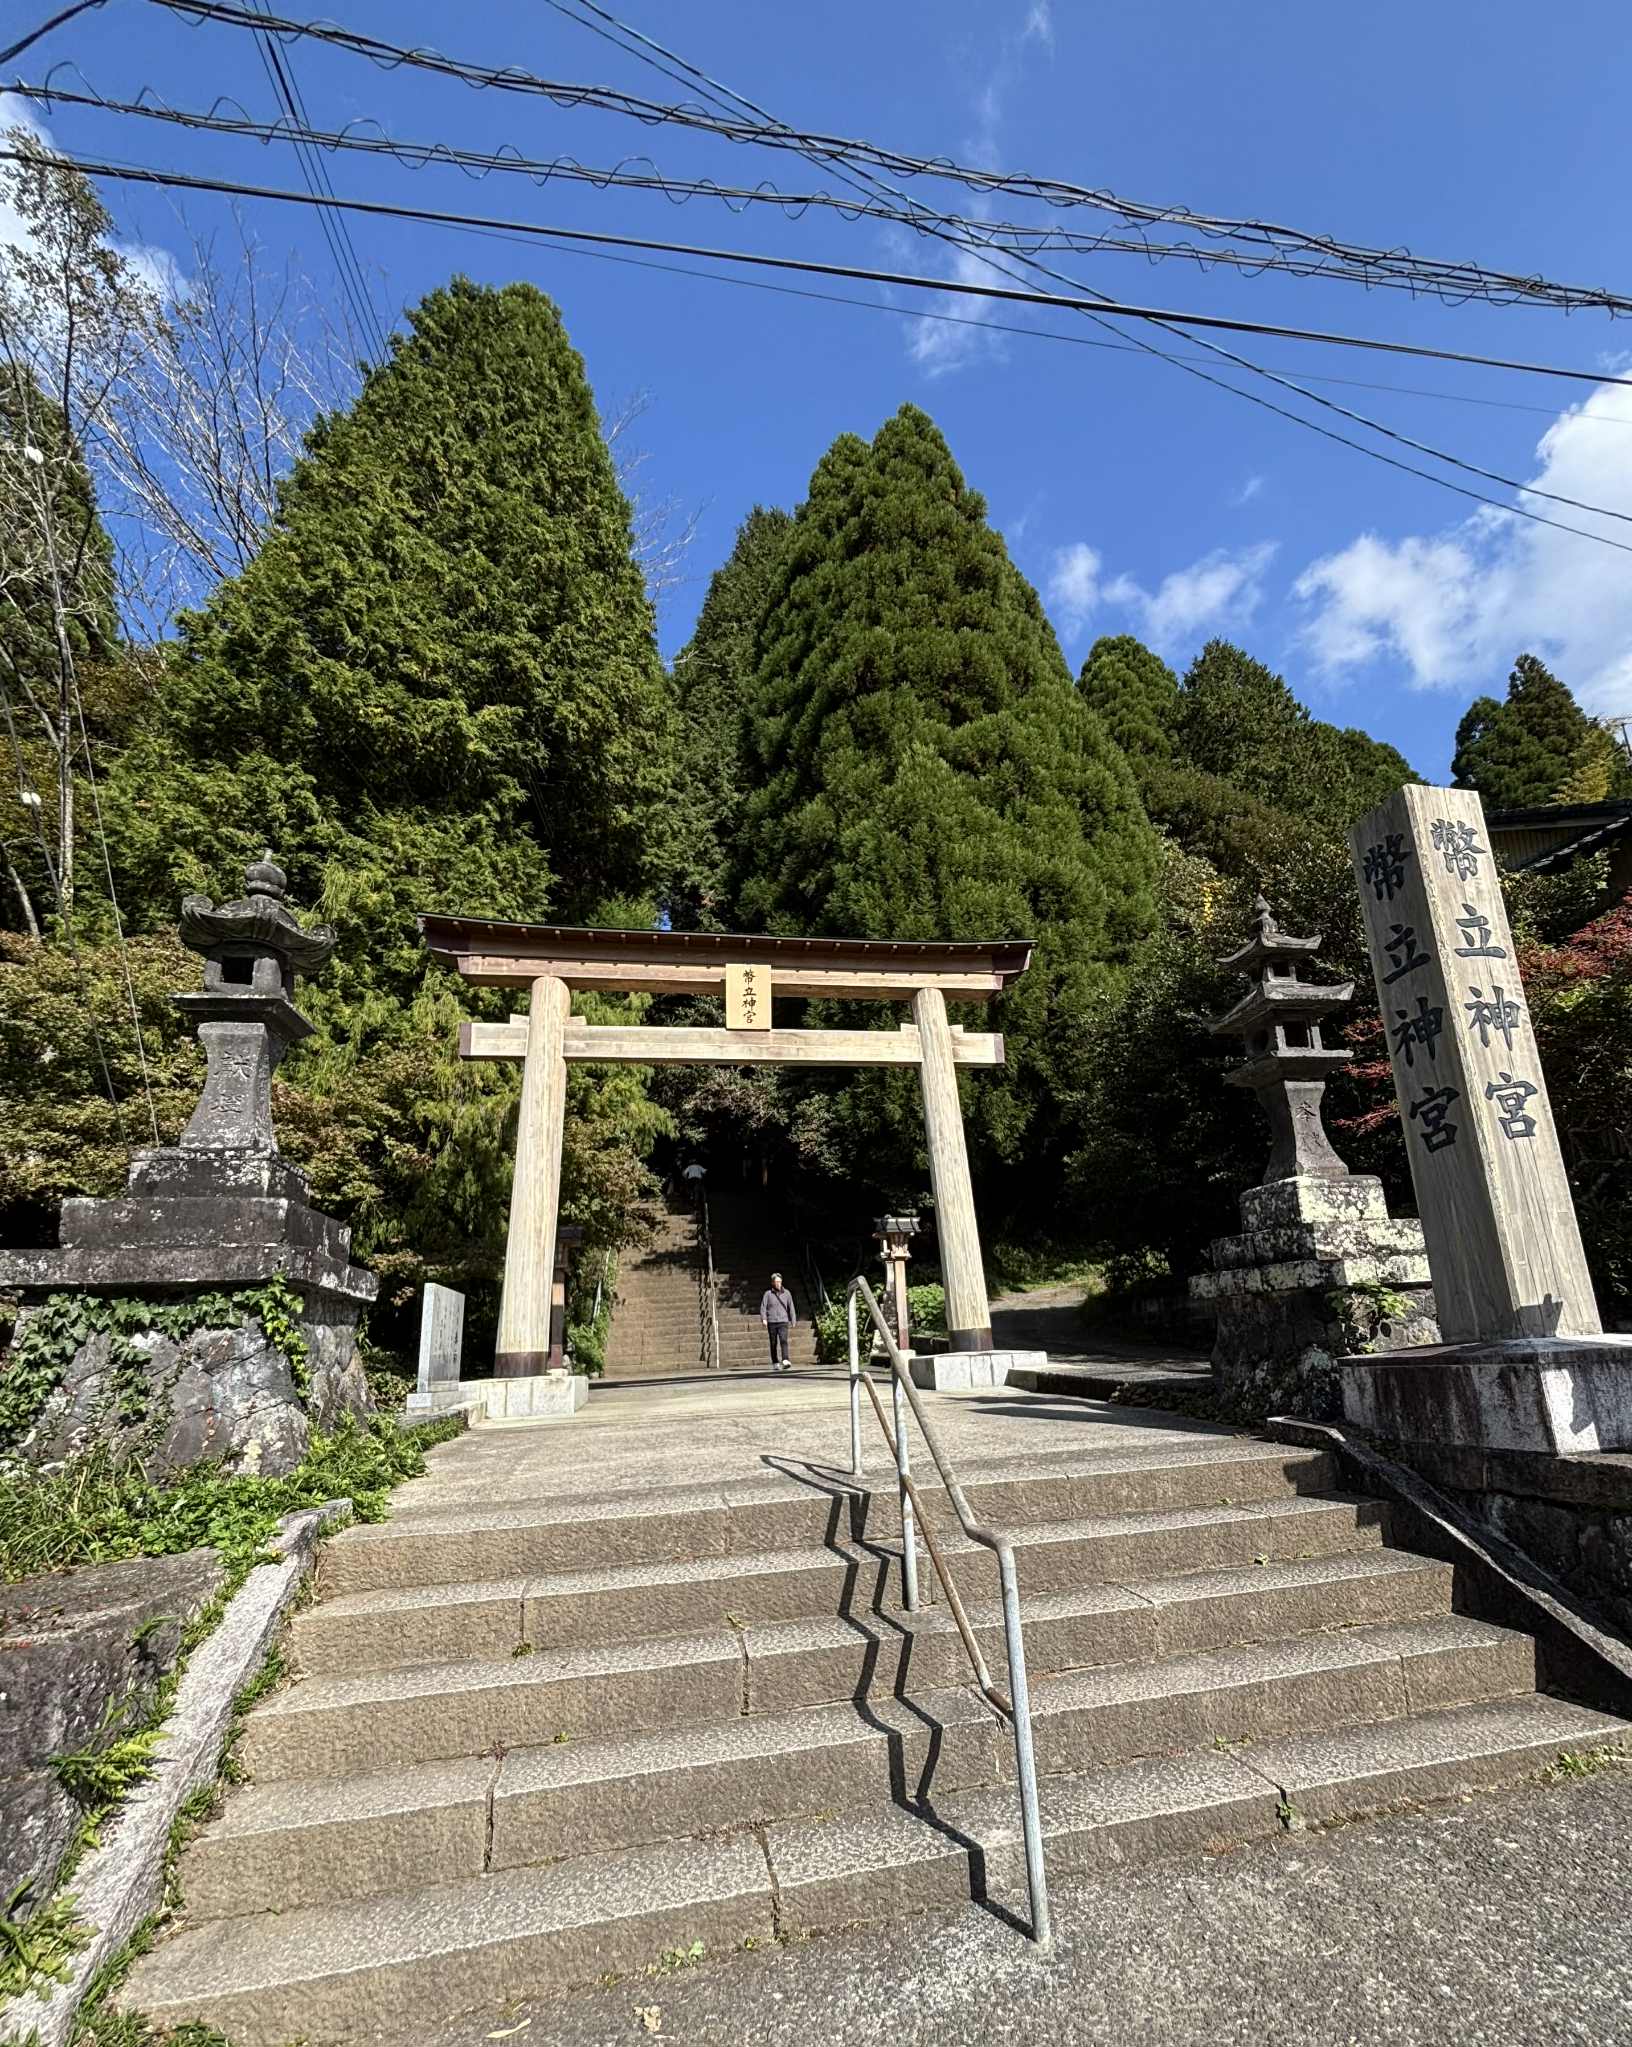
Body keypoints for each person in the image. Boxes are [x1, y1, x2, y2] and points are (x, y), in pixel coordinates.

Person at [760, 1270, 797, 1372]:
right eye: (776, 1282)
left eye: (780, 1281)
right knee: (773, 1343)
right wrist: (764, 1319)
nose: (778, 1284)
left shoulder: (787, 1293)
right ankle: (775, 1362)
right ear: (772, 1283)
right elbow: (763, 1307)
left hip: (783, 1321)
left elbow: (791, 1307)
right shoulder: (767, 1294)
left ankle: (785, 1359)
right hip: (771, 1321)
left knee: (784, 1340)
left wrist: (793, 1319)